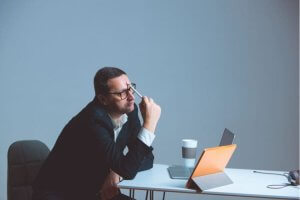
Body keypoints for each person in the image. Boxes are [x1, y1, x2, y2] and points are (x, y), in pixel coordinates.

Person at [32, 67, 161, 200]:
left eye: (131, 89)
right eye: (122, 93)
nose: (131, 97)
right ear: (103, 99)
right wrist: (149, 125)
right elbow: (128, 169)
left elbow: (147, 159)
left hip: (94, 191)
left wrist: (117, 172)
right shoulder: (93, 120)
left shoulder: (129, 111)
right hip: (59, 194)